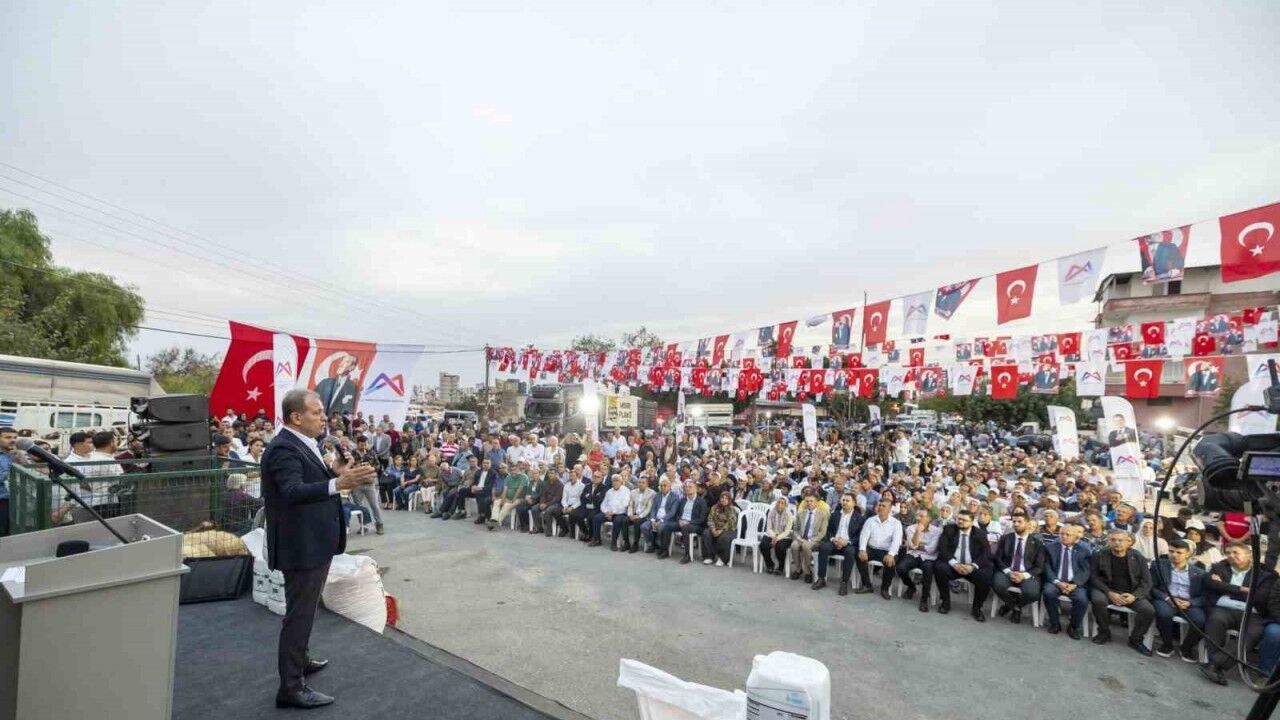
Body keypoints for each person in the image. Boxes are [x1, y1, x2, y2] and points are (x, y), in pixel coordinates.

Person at [262, 389, 375, 709]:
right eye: (317, 412)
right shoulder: (283, 448)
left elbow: (309, 479)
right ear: (296, 417)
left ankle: (301, 660)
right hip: (302, 546)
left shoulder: (303, 443)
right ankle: (291, 687)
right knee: (299, 615)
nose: (324, 417)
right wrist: (338, 483)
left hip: (313, 541)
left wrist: (334, 471)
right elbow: (292, 491)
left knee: (305, 610)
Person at [1200, 541, 1275, 685]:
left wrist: (1225, 588)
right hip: (1224, 609)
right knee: (1216, 619)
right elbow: (1210, 584)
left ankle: (1214, 664)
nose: (1231, 555)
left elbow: (1260, 597)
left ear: (1249, 555)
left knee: (1252, 633)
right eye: (1228, 553)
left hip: (1253, 613)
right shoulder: (1219, 567)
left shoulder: (1265, 575)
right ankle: (1214, 666)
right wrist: (1241, 589)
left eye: (1235, 552)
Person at [1088, 529, 1155, 655]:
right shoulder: (1100, 555)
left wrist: (1134, 596)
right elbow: (1094, 577)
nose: (1117, 543)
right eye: (1113, 540)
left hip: (1131, 592)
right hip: (1107, 590)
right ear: (1108, 541)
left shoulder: (1137, 556)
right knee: (1098, 600)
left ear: (1128, 542)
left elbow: (1147, 581)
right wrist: (1109, 592)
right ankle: (1104, 632)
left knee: (1148, 610)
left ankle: (1136, 639)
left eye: (1120, 540)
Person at [1151, 538, 1209, 662]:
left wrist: (1190, 603)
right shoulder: (1158, 566)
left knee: (1200, 621)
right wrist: (1167, 598)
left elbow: (1205, 596)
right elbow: (1152, 587)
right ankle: (1167, 644)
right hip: (1166, 599)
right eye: (1171, 551)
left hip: (1188, 602)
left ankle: (1186, 648)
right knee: (1163, 614)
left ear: (1187, 554)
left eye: (1179, 552)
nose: (1174, 555)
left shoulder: (1199, 573)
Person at [933, 509, 993, 621]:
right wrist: (955, 564)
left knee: (986, 574)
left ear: (972, 522)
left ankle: (977, 608)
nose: (960, 522)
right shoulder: (949, 529)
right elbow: (943, 549)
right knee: (939, 567)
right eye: (959, 519)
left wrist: (972, 566)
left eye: (964, 520)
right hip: (953, 566)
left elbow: (986, 554)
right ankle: (945, 602)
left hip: (971, 568)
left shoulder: (980, 533)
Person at [992, 509, 1045, 625]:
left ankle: (1011, 606)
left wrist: (1023, 575)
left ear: (1027, 523)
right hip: (1007, 571)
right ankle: (1015, 608)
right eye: (1014, 521)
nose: (1016, 524)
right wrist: (1008, 572)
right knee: (997, 585)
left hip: (1027, 573)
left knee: (1032, 593)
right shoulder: (1006, 538)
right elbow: (998, 558)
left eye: (1019, 521)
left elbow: (1039, 566)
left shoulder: (1037, 543)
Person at [1042, 523, 1093, 639]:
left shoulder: (1083, 550)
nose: (1064, 536)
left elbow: (1085, 570)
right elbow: (1047, 567)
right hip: (1056, 581)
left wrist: (1074, 584)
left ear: (1076, 538)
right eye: (1062, 534)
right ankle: (1055, 623)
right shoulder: (1050, 548)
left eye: (1068, 535)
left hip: (1075, 584)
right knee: (1048, 592)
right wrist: (1057, 582)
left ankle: (1074, 626)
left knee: (1081, 599)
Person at [856, 497, 903, 599]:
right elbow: (864, 536)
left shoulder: (896, 523)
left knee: (891, 562)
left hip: (886, 550)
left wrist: (891, 554)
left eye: (883, 506)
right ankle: (867, 585)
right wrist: (862, 550)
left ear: (890, 509)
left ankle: (884, 589)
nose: (880, 507)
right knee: (859, 556)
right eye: (879, 505)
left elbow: (897, 541)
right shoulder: (870, 520)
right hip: (872, 548)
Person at [897, 508, 941, 612]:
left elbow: (931, 549)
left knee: (928, 570)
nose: (918, 518)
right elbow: (913, 546)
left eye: (921, 516)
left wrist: (918, 546)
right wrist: (918, 531)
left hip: (929, 558)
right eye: (917, 515)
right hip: (914, 555)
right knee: (900, 568)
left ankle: (924, 599)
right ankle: (911, 586)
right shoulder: (910, 528)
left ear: (929, 518)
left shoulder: (937, 531)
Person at [663, 481, 707, 565]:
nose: (687, 488)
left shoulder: (701, 501)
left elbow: (702, 519)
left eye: (690, 487)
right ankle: (665, 551)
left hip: (695, 525)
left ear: (696, 489)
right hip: (682, 522)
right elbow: (677, 514)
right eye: (686, 487)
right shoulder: (683, 500)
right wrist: (679, 520)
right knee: (667, 526)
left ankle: (687, 555)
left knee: (685, 528)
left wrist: (688, 522)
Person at [790, 494, 830, 584]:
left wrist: (811, 540)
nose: (809, 503)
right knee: (794, 546)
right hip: (801, 538)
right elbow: (795, 529)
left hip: (814, 539)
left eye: (811, 501)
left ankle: (807, 571)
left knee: (806, 546)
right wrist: (798, 537)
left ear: (816, 502)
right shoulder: (801, 513)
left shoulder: (823, 514)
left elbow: (823, 532)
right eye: (807, 501)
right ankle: (798, 569)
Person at [642, 477, 680, 555]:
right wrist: (653, 520)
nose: (662, 487)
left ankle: (659, 545)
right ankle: (652, 544)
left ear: (669, 487)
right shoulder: (657, 495)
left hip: (667, 520)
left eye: (665, 485)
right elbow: (653, 509)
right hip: (655, 518)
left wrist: (661, 520)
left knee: (661, 527)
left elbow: (672, 512)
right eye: (661, 486)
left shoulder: (675, 497)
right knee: (644, 527)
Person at [593, 473, 632, 549]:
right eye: (613, 481)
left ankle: (614, 542)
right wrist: (606, 512)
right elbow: (603, 504)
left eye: (617, 480)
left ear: (621, 482)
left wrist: (613, 512)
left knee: (617, 521)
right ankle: (597, 540)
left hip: (620, 513)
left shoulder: (626, 491)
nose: (615, 482)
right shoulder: (609, 491)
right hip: (608, 513)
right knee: (596, 518)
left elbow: (625, 505)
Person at [701, 492, 739, 566]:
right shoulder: (714, 507)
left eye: (726, 498)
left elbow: (731, 523)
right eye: (722, 498)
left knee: (724, 537)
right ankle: (709, 556)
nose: (723, 500)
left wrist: (721, 530)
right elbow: (710, 519)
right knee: (706, 533)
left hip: (729, 529)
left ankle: (723, 558)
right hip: (715, 528)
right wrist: (713, 529)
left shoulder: (732, 509)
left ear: (729, 500)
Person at [487, 462, 528, 530]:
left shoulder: (523, 477)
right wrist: (503, 500)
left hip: (519, 498)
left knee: (507, 505)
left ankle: (496, 522)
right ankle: (494, 520)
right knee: (497, 502)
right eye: (511, 470)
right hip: (508, 498)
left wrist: (512, 500)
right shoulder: (508, 477)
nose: (513, 472)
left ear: (518, 469)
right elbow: (505, 489)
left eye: (515, 470)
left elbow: (519, 490)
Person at [759, 496, 794, 575]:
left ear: (786, 505)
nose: (780, 504)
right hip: (771, 534)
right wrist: (774, 536)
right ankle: (770, 564)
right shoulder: (771, 512)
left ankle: (781, 567)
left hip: (784, 536)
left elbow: (787, 531)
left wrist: (777, 538)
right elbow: (768, 528)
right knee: (763, 545)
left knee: (780, 547)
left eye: (782, 503)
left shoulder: (789, 514)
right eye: (778, 502)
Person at [621, 475, 655, 553]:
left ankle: (635, 544)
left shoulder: (652, 493)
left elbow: (648, 508)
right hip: (634, 514)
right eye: (639, 482)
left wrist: (639, 516)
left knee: (637, 522)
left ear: (647, 484)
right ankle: (626, 543)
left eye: (643, 482)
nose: (640, 484)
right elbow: (630, 505)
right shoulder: (633, 492)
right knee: (624, 521)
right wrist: (630, 515)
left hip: (644, 516)